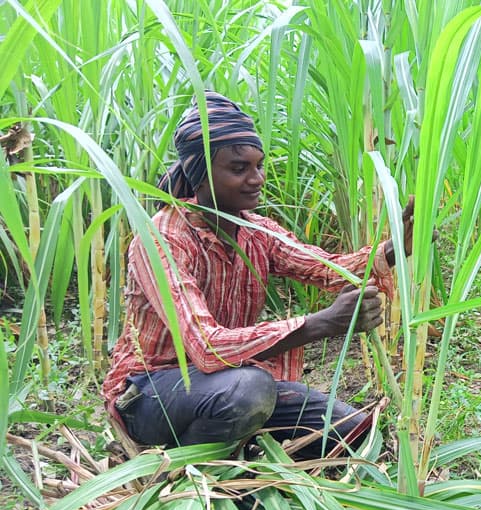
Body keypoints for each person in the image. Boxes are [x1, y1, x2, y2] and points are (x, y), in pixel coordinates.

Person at [102, 91, 415, 458]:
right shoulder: (163, 238)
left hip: (230, 383)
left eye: (258, 165)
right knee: (249, 391)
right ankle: (181, 471)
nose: (257, 179)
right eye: (239, 169)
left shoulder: (258, 231)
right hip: (152, 392)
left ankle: (239, 448)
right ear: (198, 174)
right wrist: (322, 324)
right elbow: (206, 348)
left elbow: (326, 269)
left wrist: (395, 248)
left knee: (355, 430)